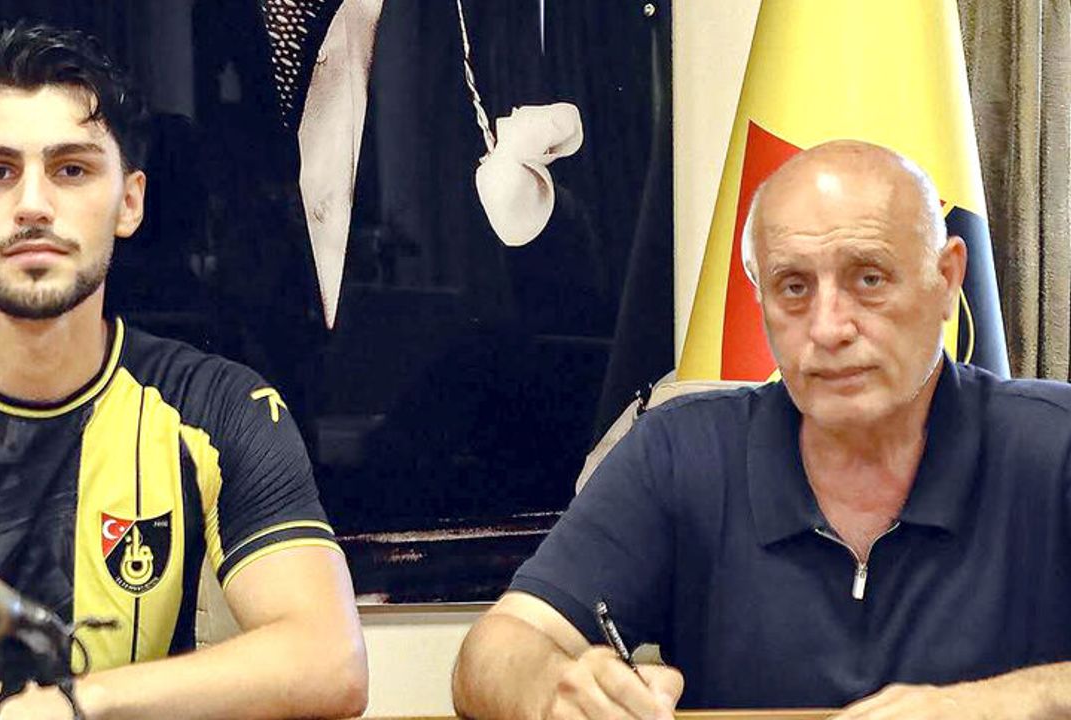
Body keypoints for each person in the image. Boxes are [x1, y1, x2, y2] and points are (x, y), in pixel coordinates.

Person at [0, 22, 367, 720]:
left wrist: (73, 704)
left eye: (72, 170)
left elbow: (329, 660)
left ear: (130, 201)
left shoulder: (217, 409)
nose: (33, 204)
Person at [451, 140, 1071, 719]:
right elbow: (497, 648)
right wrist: (556, 687)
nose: (828, 328)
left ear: (948, 277)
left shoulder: (1054, 444)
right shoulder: (680, 453)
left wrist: (994, 704)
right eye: (793, 287)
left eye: (869, 279)